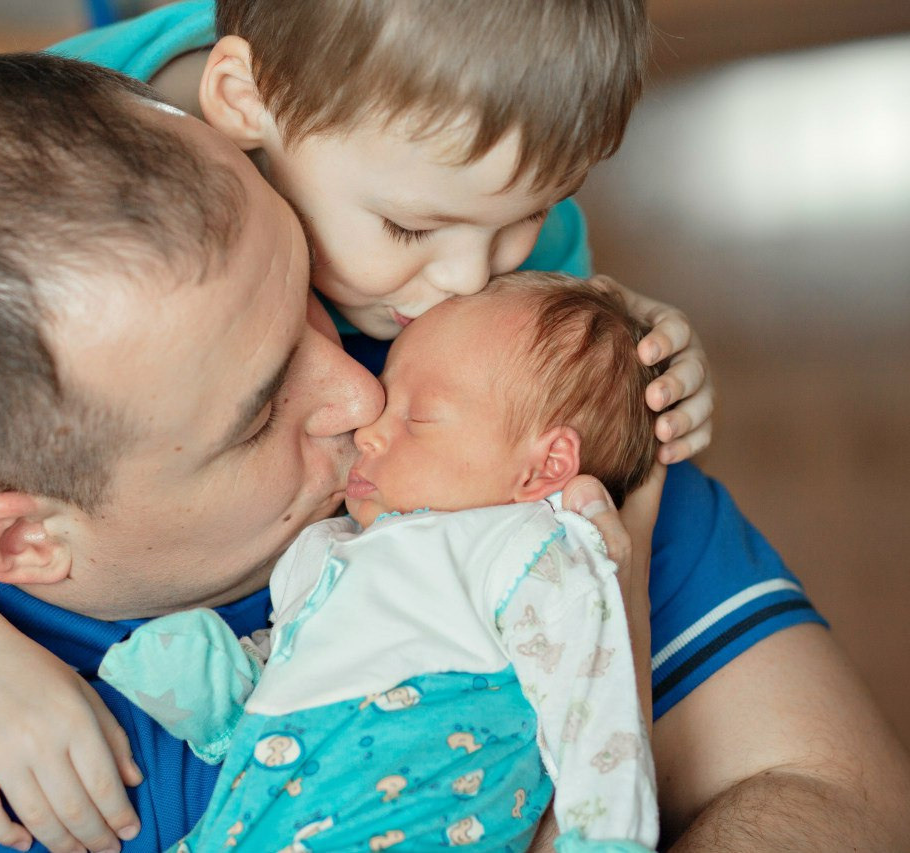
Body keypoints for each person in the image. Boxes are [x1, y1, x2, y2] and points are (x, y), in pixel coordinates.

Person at [0, 3, 910, 851]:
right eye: (258, 409)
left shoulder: (468, 417)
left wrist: (607, 345)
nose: (361, 391)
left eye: (306, 300)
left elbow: (841, 798)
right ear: (239, 107)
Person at [104, 273, 663, 852]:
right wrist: (228, 692)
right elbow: (309, 664)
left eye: (418, 418)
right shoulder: (327, 548)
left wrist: (605, 835)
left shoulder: (522, 551)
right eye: (385, 396)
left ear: (544, 467)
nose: (369, 430)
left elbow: (594, 702)